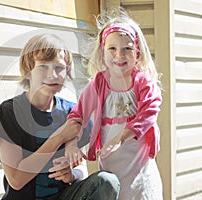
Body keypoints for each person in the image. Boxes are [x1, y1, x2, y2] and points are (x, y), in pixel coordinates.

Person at [0, 33, 120, 200]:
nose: (52, 74)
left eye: (58, 68)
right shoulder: (9, 112)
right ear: (28, 71)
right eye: (43, 66)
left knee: (107, 181)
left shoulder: (71, 112)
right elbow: (16, 179)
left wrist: (72, 174)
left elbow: (81, 167)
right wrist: (59, 137)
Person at [65, 8, 163, 200]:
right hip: (111, 161)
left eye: (127, 48)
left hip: (138, 162)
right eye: (112, 49)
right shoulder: (98, 84)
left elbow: (149, 111)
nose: (119, 55)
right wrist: (71, 143)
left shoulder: (142, 82)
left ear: (138, 53)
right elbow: (77, 116)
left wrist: (120, 138)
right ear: (103, 51)